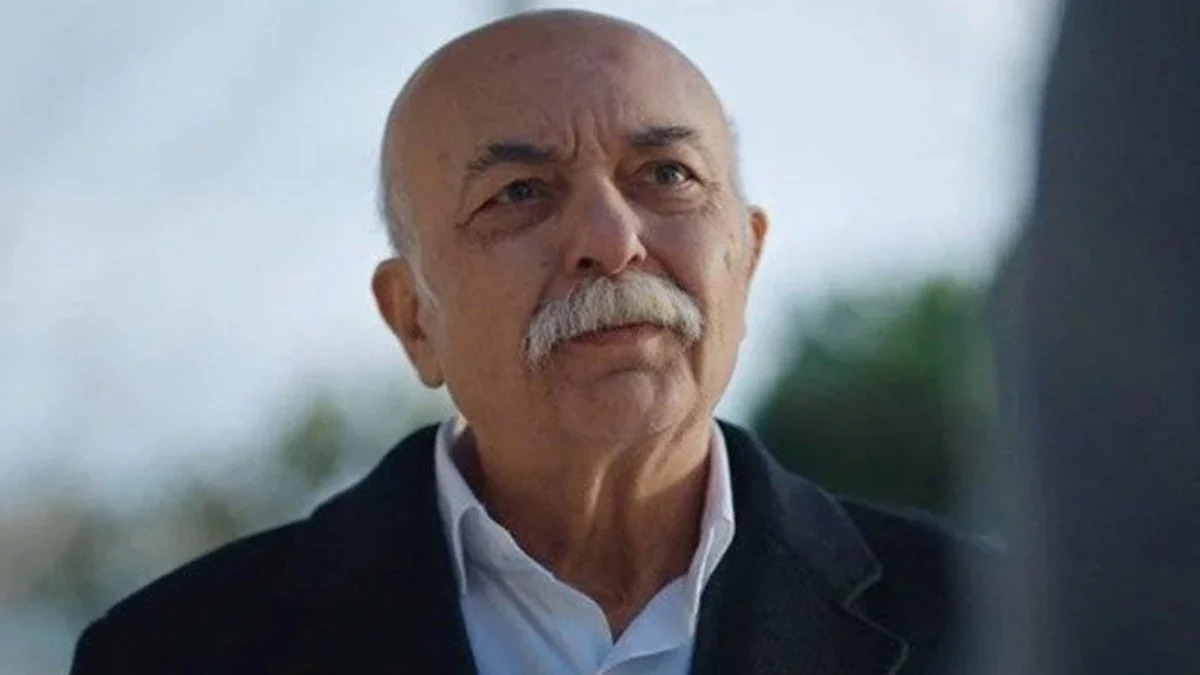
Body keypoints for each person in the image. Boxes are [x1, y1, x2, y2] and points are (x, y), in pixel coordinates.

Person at [71, 10, 988, 674]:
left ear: (746, 260)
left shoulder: (996, 623)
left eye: (666, 174)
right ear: (412, 318)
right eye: (519, 193)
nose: (612, 240)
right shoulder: (176, 651)